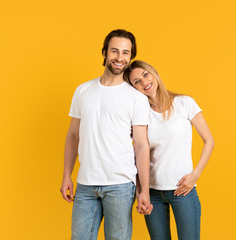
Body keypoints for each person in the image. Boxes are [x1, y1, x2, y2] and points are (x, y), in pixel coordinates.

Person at [60, 30, 153, 240]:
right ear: (104, 52)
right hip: (85, 184)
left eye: (125, 53)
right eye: (114, 51)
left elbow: (141, 145)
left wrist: (143, 190)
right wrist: (67, 175)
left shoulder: (136, 98)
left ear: (130, 57)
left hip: (120, 185)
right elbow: (73, 135)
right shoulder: (83, 90)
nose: (119, 57)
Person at [124, 60, 215, 240]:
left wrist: (195, 175)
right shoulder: (140, 114)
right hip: (152, 192)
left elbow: (209, 141)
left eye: (145, 75)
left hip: (183, 190)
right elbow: (136, 153)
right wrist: (141, 192)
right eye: (136, 82)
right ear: (134, 89)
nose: (144, 82)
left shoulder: (184, 103)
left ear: (154, 73)